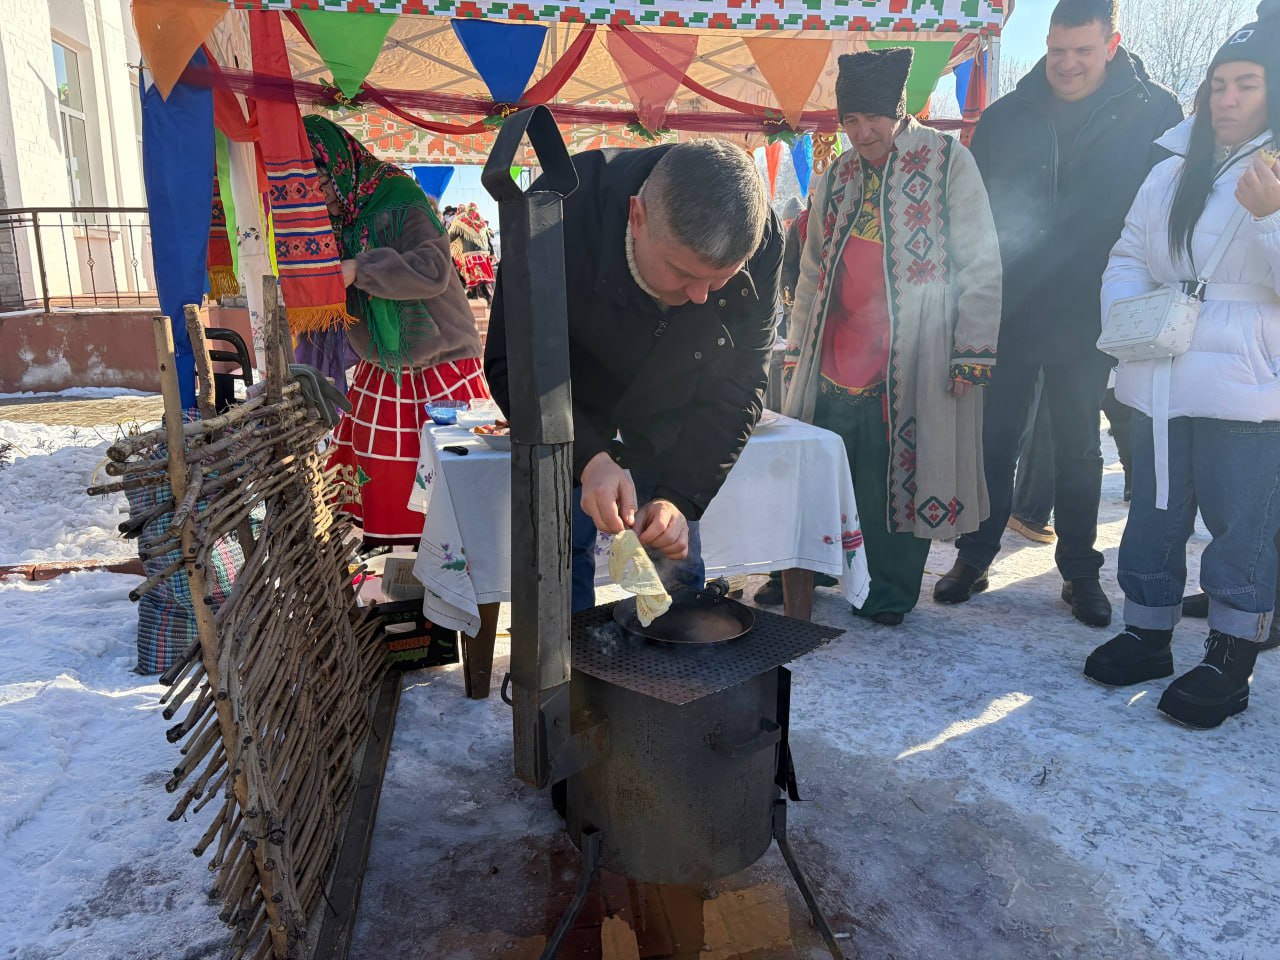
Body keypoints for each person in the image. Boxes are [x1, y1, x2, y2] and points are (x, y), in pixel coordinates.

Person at [934, 0, 1183, 628]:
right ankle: (975, 554)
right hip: (1009, 305)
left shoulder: (1154, 112)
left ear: (1112, 43)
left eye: (1082, 51)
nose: (1066, 64)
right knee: (994, 439)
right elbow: (972, 213)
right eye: (1056, 49)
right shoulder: (1006, 115)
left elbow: (1167, 210)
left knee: (1077, 447)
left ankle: (1078, 570)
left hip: (1094, 308)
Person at [1082, 0, 1280, 728]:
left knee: (1242, 526)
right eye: (1218, 84)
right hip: (1160, 370)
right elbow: (1128, 253)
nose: (1227, 99)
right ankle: (1148, 630)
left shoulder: (1276, 168)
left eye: (1247, 84)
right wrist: (1128, 317)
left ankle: (1232, 654)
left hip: (1247, 385)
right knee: (1155, 515)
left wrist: (1273, 217)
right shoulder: (1172, 165)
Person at [485, 140, 781, 613]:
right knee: (561, 557)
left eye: (722, 277)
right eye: (682, 272)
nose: (702, 297)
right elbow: (511, 363)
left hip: (677, 401)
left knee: (675, 564)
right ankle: (575, 677)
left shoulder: (761, 237)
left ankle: (679, 673)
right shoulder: (554, 213)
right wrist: (588, 456)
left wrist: (679, 497)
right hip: (571, 400)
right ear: (637, 216)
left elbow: (739, 384)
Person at [782, 49, 1002, 626]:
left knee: (896, 473)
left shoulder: (945, 160)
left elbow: (981, 258)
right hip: (836, 350)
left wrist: (971, 348)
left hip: (914, 352)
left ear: (899, 111)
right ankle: (818, 566)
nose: (862, 132)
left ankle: (888, 589)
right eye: (850, 121)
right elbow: (811, 269)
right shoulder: (837, 175)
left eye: (873, 118)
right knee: (830, 465)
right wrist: (798, 341)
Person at [302, 115, 489, 546]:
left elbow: (434, 269)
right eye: (313, 194)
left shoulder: (398, 197)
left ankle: (450, 576)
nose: (325, 202)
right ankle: (404, 572)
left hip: (440, 362)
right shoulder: (344, 216)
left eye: (325, 187)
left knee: (446, 475)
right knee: (378, 467)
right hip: (384, 365)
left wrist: (359, 269)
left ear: (342, 166)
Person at [448, 203, 496, 303]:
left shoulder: (462, 219)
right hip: (483, 252)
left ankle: (486, 295)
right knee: (475, 274)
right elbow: (488, 237)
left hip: (470, 252)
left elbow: (452, 235)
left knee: (476, 274)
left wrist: (444, 241)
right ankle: (473, 294)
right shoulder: (480, 220)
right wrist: (492, 252)